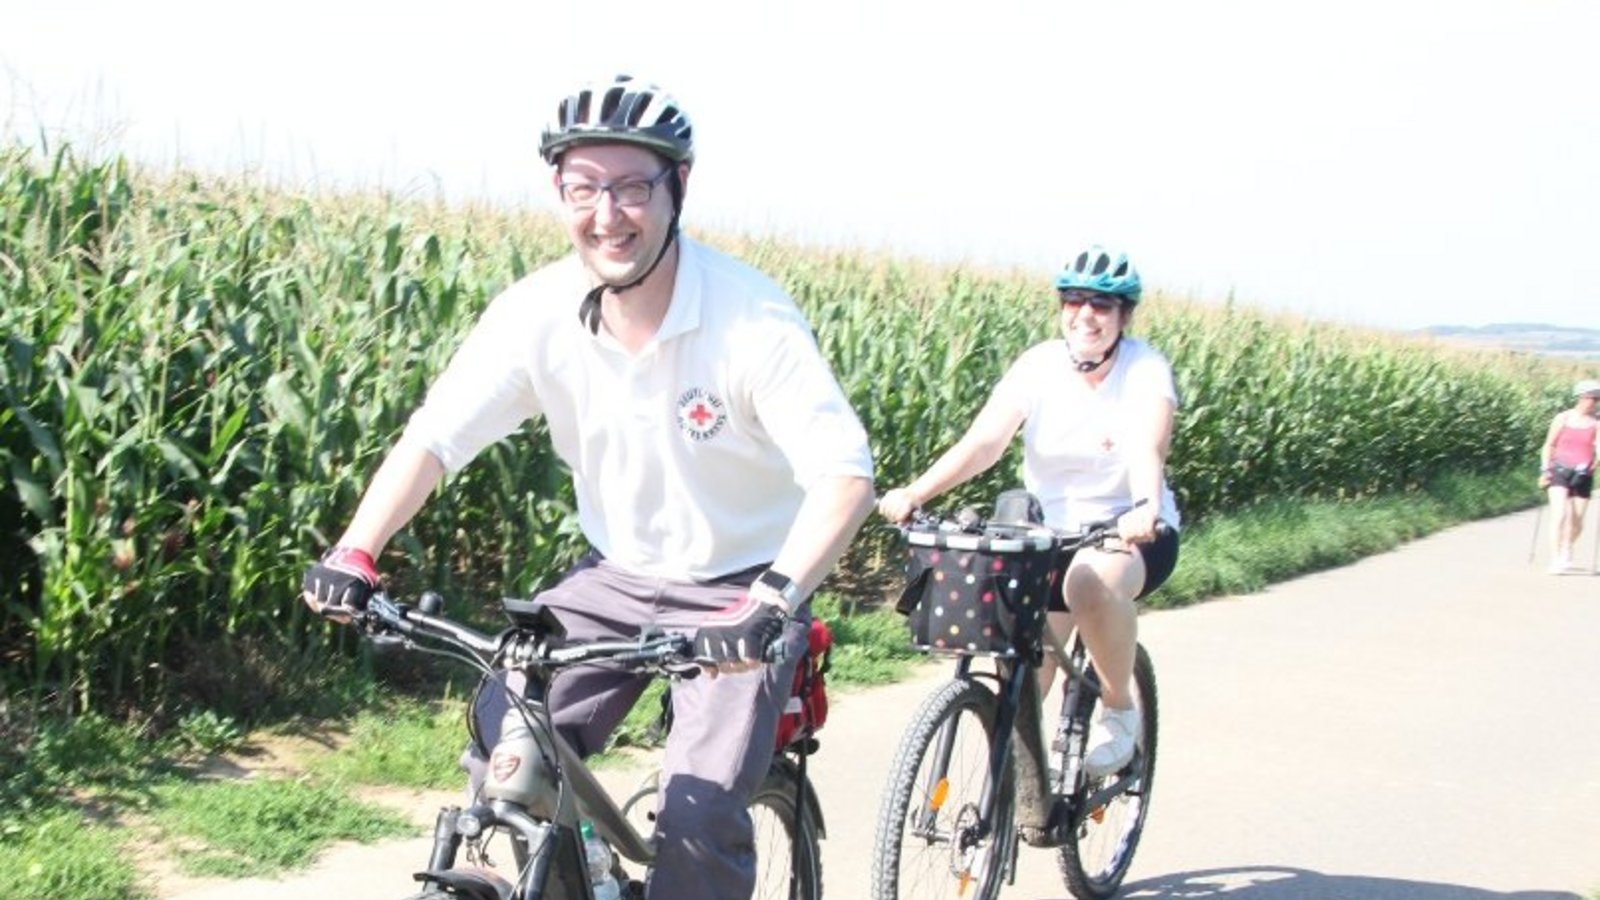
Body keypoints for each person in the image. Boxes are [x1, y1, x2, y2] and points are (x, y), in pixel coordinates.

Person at [301, 74, 875, 900]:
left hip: (742, 589)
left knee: (699, 817)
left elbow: (844, 476)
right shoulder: (537, 311)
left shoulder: (749, 319)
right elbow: (433, 439)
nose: (608, 214)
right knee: (508, 749)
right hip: (614, 576)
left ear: (679, 189)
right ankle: (583, 873)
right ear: (559, 193)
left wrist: (773, 601)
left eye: (633, 186)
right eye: (584, 188)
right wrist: (358, 549)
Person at [878, 245, 1180, 778]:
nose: (1087, 314)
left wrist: (1146, 506)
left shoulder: (1143, 369)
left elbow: (1146, 449)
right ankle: (1015, 797)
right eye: (1075, 301)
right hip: (1048, 537)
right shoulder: (1039, 365)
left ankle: (1118, 711)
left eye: (1103, 305)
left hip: (1126, 530)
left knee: (1090, 585)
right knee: (1021, 673)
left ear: (1123, 316)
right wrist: (917, 492)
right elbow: (985, 443)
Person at [1537, 379, 1600, 573]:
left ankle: (1567, 547)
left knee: (1578, 521)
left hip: (1583, 473)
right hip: (1559, 470)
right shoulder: (1563, 418)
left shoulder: (1597, 423)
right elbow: (1549, 444)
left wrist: (1594, 464)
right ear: (1582, 397)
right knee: (1559, 514)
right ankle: (1556, 559)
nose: (1595, 402)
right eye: (1593, 398)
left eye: (1597, 399)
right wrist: (1545, 469)